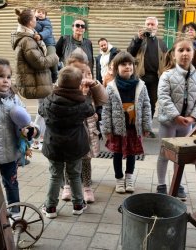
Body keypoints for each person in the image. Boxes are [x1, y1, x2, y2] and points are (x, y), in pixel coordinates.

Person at [0, 57, 39, 216]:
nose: (6, 81)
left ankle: (15, 213)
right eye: (1, 76)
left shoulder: (13, 98)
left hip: (10, 152)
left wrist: (29, 130)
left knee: (11, 183)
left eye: (8, 77)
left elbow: (25, 121)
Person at [156, 37, 196, 200]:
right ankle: (161, 184)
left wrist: (193, 117)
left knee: (181, 155)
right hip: (169, 123)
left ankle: (177, 184)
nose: (184, 53)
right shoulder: (167, 75)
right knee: (164, 154)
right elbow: (163, 96)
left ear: (193, 54)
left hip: (186, 124)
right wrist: (176, 116)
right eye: (181, 50)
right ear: (173, 55)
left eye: (188, 50)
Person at [39, 66, 94, 218]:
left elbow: (40, 111)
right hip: (75, 146)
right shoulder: (81, 103)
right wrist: (84, 94)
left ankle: (50, 207)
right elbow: (91, 111)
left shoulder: (48, 100)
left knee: (55, 175)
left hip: (54, 146)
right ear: (78, 85)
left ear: (58, 83)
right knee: (75, 175)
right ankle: (78, 204)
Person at [101, 51, 153, 193]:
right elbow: (106, 109)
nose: (128, 67)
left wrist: (146, 126)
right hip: (117, 130)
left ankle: (129, 178)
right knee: (117, 155)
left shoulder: (141, 85)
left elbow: (147, 106)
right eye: (123, 64)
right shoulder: (111, 86)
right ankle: (119, 179)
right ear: (116, 68)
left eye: (130, 64)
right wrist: (107, 129)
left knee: (131, 154)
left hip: (133, 128)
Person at [61, 49, 108, 203]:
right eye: (79, 72)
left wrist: (94, 84)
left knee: (86, 160)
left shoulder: (91, 87)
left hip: (88, 130)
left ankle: (87, 187)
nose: (84, 76)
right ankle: (67, 185)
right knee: (69, 159)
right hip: (70, 131)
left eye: (87, 73)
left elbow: (103, 100)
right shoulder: (63, 87)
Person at [127, 16, 167, 127]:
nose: (150, 26)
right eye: (148, 24)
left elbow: (167, 60)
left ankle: (147, 126)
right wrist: (138, 39)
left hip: (156, 78)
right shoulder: (139, 39)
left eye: (152, 24)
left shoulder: (161, 43)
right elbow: (130, 53)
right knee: (137, 102)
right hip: (140, 77)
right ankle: (136, 125)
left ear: (157, 27)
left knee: (152, 103)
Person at [12, 8, 58, 100]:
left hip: (37, 84)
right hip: (34, 87)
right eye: (34, 17)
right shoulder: (27, 40)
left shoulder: (30, 35)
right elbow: (40, 63)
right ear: (30, 22)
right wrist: (55, 58)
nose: (36, 19)